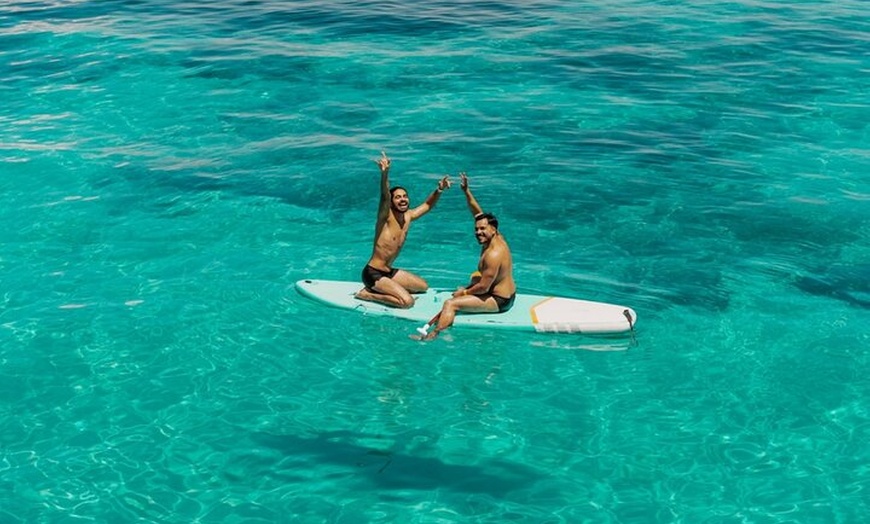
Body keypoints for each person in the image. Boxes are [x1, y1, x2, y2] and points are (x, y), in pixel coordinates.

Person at [420, 172, 515, 340]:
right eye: (476, 229)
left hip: (500, 300)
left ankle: (433, 335)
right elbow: (477, 213)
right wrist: (466, 191)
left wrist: (463, 294)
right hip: (507, 292)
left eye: (482, 229)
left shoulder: (493, 255)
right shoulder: (498, 238)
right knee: (474, 279)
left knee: (450, 304)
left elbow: (484, 288)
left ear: (493, 229)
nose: (478, 232)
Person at [356, 151, 451, 308]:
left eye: (405, 196)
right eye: (398, 197)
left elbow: (427, 205)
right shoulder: (385, 217)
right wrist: (385, 173)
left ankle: (389, 288)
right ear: (392, 202)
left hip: (388, 272)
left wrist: (439, 190)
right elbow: (384, 195)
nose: (403, 199)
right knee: (407, 302)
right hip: (373, 273)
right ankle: (368, 294)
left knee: (423, 286)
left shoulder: (408, 216)